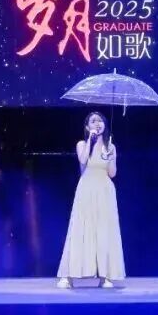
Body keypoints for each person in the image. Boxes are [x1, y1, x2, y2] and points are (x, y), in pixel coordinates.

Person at [56, 110, 126, 288]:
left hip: (105, 190)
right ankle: (68, 276)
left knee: (104, 230)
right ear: (87, 127)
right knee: (80, 228)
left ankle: (105, 276)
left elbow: (112, 173)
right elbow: (82, 160)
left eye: (100, 121)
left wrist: (111, 157)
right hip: (87, 188)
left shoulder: (111, 147)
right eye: (93, 121)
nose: (97, 123)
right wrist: (90, 141)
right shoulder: (82, 144)